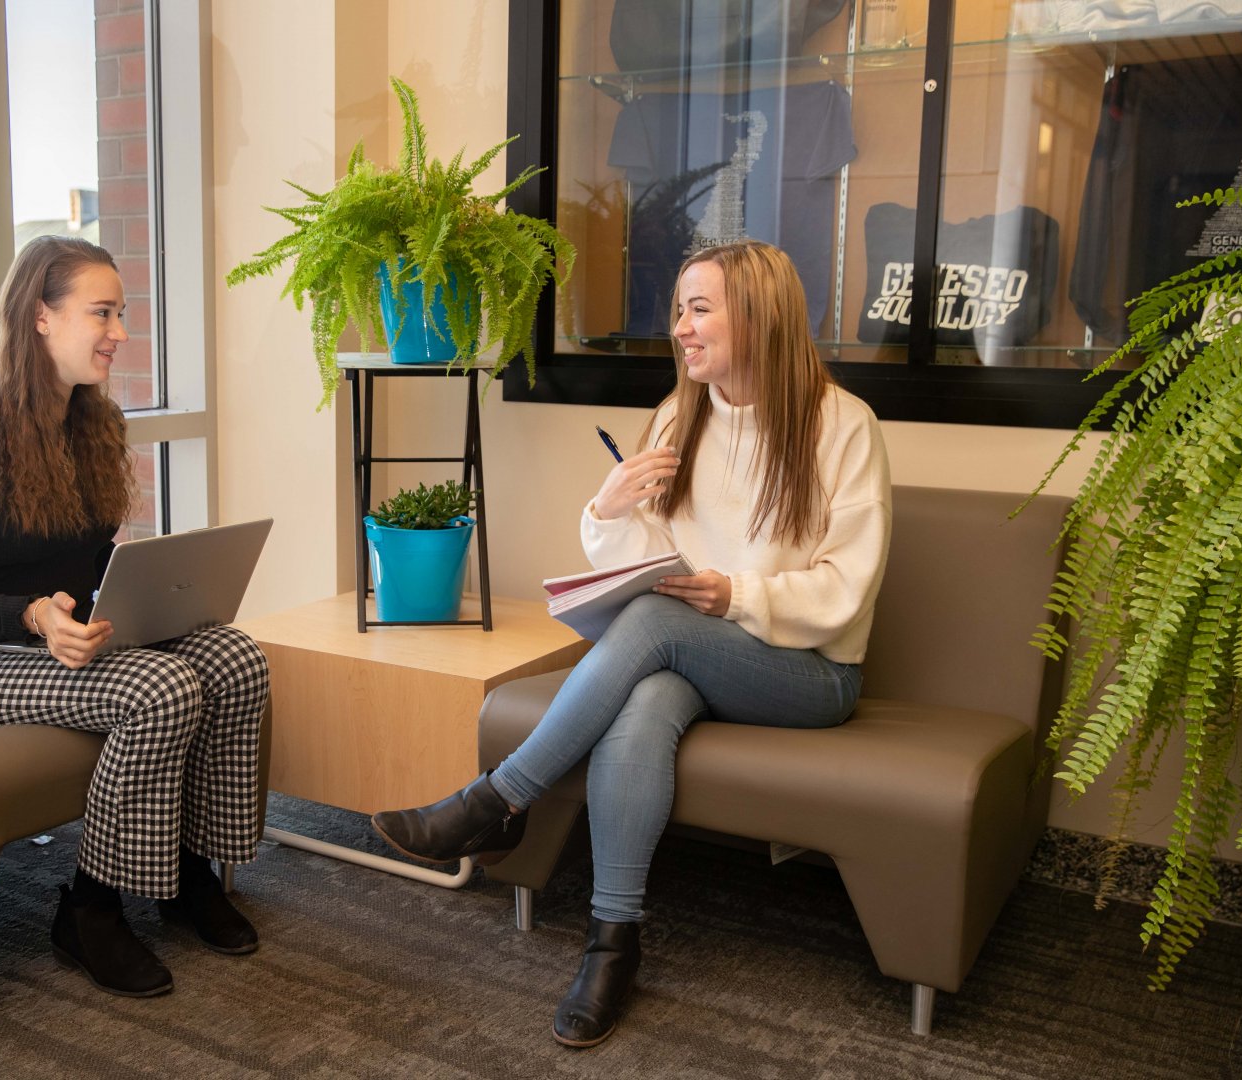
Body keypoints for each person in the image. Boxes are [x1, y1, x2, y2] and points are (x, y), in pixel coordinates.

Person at [371, 239, 891, 1047]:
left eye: (700, 308)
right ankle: (612, 944)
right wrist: (609, 509)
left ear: (759, 316)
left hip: (812, 673)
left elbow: (846, 590)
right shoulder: (680, 416)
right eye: (678, 309)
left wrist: (736, 593)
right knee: (646, 697)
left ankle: (497, 800)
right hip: (694, 652)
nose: (680, 328)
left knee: (653, 629)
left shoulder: (842, 426)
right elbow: (645, 560)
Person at [0, 236, 269, 999]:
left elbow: (88, 566)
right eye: (102, 313)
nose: (120, 332)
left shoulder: (93, 425)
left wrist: (150, 600)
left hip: (54, 646)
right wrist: (30, 615)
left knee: (233, 655)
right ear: (40, 316)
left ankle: (188, 870)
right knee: (160, 688)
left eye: (120, 313)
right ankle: (90, 910)